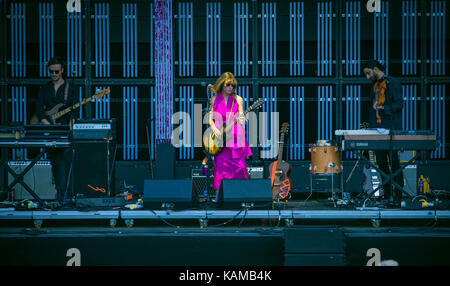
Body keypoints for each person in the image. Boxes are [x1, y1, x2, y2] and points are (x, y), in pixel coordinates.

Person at [362, 60, 404, 207]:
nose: (367, 77)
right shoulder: (373, 85)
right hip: (376, 129)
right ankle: (387, 196)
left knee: (394, 163)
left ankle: (398, 196)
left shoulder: (393, 82)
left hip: (390, 129)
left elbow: (399, 104)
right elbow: (372, 109)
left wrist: (382, 108)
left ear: (375, 69)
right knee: (381, 164)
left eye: (368, 73)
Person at [35, 57, 77, 204]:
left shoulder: (69, 88)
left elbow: (74, 109)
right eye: (51, 71)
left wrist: (72, 121)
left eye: (56, 71)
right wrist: (47, 123)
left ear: (62, 71)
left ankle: (68, 196)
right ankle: (60, 195)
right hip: (50, 131)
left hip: (65, 131)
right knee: (55, 163)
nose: (54, 74)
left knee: (66, 163)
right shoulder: (44, 89)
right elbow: (39, 109)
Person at [208, 72, 253, 192]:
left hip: (235, 137)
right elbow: (210, 119)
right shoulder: (214, 99)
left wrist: (243, 120)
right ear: (222, 84)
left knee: (240, 166)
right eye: (228, 85)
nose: (230, 88)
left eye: (233, 85)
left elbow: (242, 118)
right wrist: (214, 129)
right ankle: (220, 196)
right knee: (221, 169)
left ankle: (241, 194)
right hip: (220, 138)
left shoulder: (238, 99)